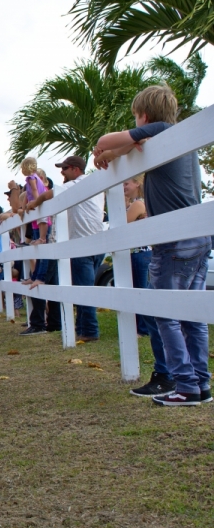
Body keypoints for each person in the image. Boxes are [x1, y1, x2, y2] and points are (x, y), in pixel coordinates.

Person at [93, 85, 210, 406]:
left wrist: (107, 149)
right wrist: (118, 152)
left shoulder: (160, 130)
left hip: (173, 240)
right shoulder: (178, 141)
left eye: (135, 118)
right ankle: (200, 383)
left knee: (165, 313)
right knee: (192, 315)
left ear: (143, 116)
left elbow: (104, 141)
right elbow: (122, 149)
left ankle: (185, 385)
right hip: (198, 237)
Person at [24, 155, 104, 342]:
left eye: (65, 168)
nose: (62, 172)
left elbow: (48, 195)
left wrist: (34, 203)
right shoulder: (92, 183)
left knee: (84, 290)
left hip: (82, 243)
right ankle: (82, 327)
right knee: (85, 288)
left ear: (75, 169)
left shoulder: (76, 184)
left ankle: (90, 330)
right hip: (97, 242)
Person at [119, 175, 171, 397]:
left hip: (144, 255)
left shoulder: (139, 203)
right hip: (146, 255)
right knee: (150, 306)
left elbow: (120, 225)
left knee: (151, 305)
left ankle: (167, 373)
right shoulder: (137, 204)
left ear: (137, 183)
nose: (124, 187)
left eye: (127, 183)